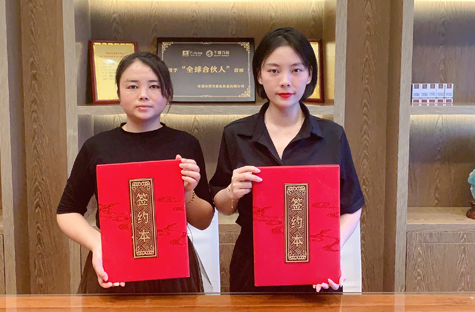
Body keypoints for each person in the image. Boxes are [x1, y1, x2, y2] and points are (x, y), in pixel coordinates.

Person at [210, 27, 364, 293]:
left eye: (296, 70)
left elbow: (352, 205)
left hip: (315, 270)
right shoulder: (236, 134)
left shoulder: (332, 136)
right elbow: (222, 205)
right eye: (274, 70)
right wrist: (232, 192)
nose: (285, 81)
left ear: (310, 74)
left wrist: (327, 249)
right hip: (253, 268)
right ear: (259, 74)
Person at [57, 52, 214, 294]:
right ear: (118, 94)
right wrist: (98, 243)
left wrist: (187, 193)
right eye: (132, 86)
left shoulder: (185, 144)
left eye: (154, 86)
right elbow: (67, 211)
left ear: (167, 93)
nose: (143, 94)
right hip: (114, 264)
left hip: (172, 266)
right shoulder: (97, 147)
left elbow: (203, 222)